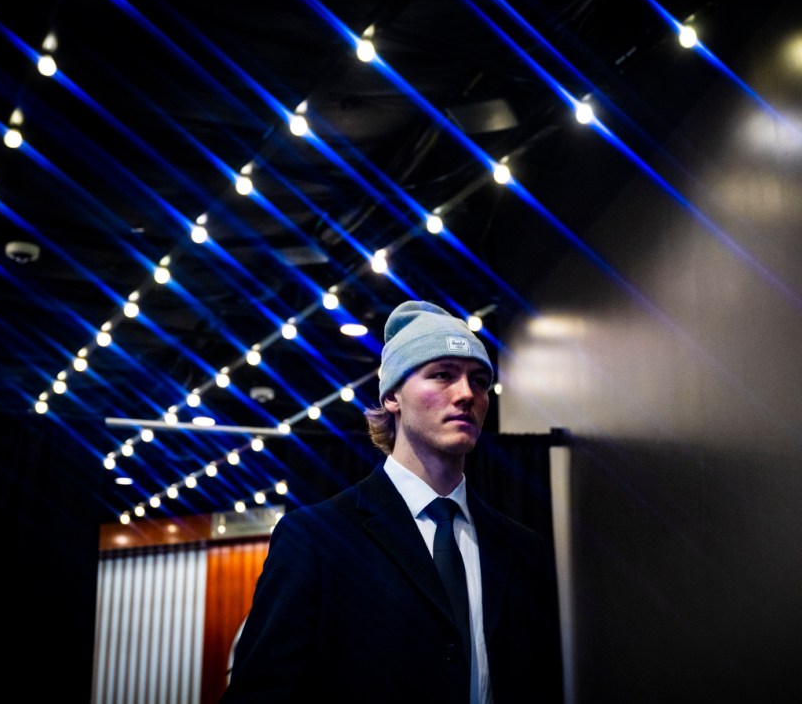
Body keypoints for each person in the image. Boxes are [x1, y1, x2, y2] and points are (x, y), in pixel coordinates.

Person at [221, 300, 564, 704]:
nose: (466, 394)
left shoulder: (523, 548)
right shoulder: (317, 538)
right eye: (442, 375)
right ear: (392, 396)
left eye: (479, 381)